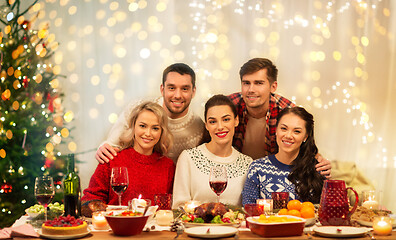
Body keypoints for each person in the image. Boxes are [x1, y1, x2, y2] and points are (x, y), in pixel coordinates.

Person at [228, 58, 331, 176]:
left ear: (273, 87)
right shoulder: (228, 107)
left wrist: (319, 160)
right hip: (234, 174)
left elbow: (304, 145)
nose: (251, 90)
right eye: (246, 83)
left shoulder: (287, 112)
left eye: (259, 83)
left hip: (272, 176)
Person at [95, 63, 206, 163]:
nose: (177, 95)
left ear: (193, 91)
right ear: (162, 89)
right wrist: (103, 149)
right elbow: (111, 146)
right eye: (171, 88)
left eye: (185, 89)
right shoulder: (137, 108)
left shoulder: (199, 130)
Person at [82, 101, 175, 205]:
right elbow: (90, 199)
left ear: (162, 131)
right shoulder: (112, 160)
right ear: (133, 126)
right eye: (143, 126)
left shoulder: (168, 166)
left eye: (155, 128)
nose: (148, 133)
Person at [172, 95, 253, 208]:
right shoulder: (188, 158)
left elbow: (248, 210)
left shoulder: (247, 163)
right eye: (213, 121)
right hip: (197, 225)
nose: (220, 127)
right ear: (206, 125)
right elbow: (178, 207)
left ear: (236, 121)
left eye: (226, 119)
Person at [242, 107, 324, 205]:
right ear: (276, 130)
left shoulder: (317, 168)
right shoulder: (257, 168)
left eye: (296, 131)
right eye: (284, 129)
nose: (288, 136)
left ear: (305, 137)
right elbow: (248, 209)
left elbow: (324, 211)